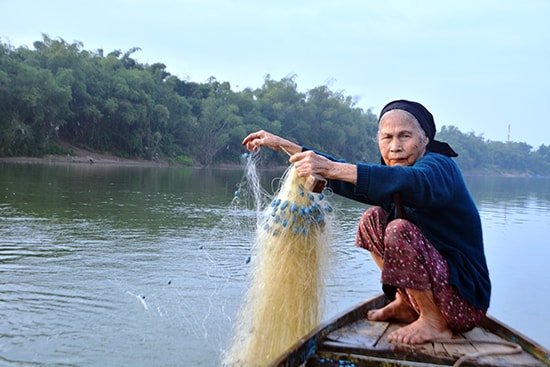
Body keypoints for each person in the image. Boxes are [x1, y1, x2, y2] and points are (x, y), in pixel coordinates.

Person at [241, 99, 491, 345]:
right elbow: (343, 174)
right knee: (372, 220)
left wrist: (331, 168)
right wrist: (283, 145)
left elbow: (412, 181)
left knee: (399, 230)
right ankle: (406, 302)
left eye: (405, 136)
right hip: (438, 290)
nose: (395, 147)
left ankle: (433, 321)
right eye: (387, 138)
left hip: (463, 302)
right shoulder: (391, 177)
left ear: (425, 139)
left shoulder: (440, 166)